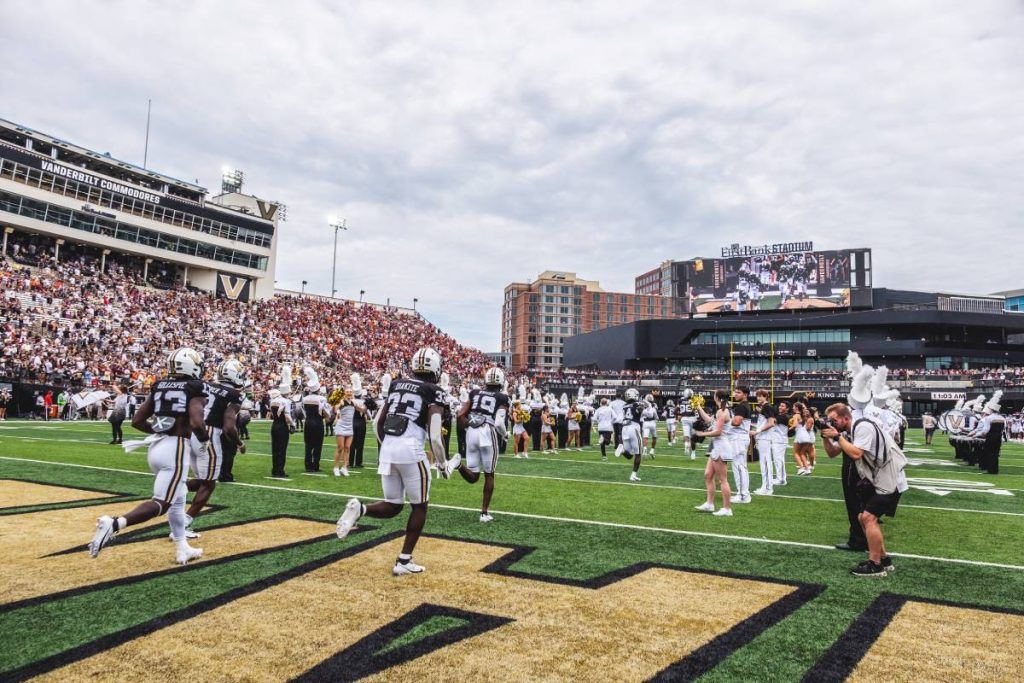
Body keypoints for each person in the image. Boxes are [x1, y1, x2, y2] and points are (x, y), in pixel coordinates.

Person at [336, 347, 458, 576]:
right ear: (436, 368)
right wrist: (442, 463)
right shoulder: (434, 390)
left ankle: (360, 509)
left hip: (389, 447)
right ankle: (403, 561)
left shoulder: (396, 384)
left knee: (393, 505)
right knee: (420, 506)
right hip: (411, 449)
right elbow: (434, 434)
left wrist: (389, 446)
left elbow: (377, 424)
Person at [88, 348, 208, 565]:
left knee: (178, 499)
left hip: (155, 447)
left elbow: (137, 421)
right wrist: (205, 440)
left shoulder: (160, 384)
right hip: (176, 448)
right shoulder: (194, 387)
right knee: (162, 502)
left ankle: (183, 548)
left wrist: (159, 430)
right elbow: (197, 421)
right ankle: (115, 524)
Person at [822, 403, 907, 577]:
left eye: (834, 420)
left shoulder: (863, 426)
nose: (832, 423)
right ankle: (883, 560)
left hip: (891, 478)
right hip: (882, 477)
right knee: (863, 517)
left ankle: (875, 565)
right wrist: (825, 436)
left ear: (846, 417)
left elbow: (856, 454)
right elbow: (832, 453)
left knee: (868, 518)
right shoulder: (849, 431)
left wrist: (837, 436)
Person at [184, 358, 246, 535]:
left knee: (203, 479)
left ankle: (172, 489)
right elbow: (228, 427)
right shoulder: (234, 394)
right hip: (209, 435)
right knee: (209, 483)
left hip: (192, 433)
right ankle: (184, 523)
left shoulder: (206, 385)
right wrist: (240, 443)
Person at [455, 367, 510, 522]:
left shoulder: (475, 392)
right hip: (487, 431)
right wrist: (505, 434)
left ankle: (459, 465)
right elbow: (499, 422)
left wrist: (467, 426)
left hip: (471, 431)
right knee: (489, 474)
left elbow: (459, 414)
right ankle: (484, 513)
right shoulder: (503, 397)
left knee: (473, 477)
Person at [694, 389, 734, 516]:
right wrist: (699, 407)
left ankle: (727, 509)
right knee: (708, 475)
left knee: (723, 479)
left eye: (714, 394)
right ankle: (709, 504)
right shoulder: (722, 410)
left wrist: (702, 434)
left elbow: (718, 432)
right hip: (717, 446)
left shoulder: (722, 411)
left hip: (721, 446)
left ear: (717, 397)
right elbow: (709, 421)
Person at [301, 370, 331, 473]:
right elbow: (326, 412)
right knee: (318, 445)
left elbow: (303, 412)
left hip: (308, 422)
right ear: (318, 389)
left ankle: (308, 465)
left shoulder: (305, 399)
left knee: (308, 445)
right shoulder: (322, 398)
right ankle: (315, 465)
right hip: (318, 423)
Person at [614, 388, 644, 482]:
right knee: (638, 453)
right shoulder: (637, 404)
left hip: (624, 429)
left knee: (630, 455)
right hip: (633, 427)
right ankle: (633, 475)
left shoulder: (624, 406)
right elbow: (641, 409)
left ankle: (622, 450)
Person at [728, 386, 752, 503]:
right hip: (740, 438)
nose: (735, 394)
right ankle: (740, 492)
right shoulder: (743, 405)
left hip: (739, 438)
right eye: (735, 392)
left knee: (740, 467)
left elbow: (736, 422)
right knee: (738, 466)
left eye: (738, 392)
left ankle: (744, 495)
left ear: (745, 394)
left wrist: (726, 420)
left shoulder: (742, 406)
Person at [751, 390, 776, 496]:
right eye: (757, 396)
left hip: (765, 438)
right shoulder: (765, 407)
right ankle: (765, 486)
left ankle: (767, 488)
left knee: (765, 463)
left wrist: (757, 431)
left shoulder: (767, 407)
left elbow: (771, 423)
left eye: (761, 396)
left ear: (766, 397)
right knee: (764, 463)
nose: (758, 398)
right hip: (762, 438)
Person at [333, 387, 357, 477]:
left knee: (347, 448)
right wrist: (339, 405)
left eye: (350, 391)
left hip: (349, 427)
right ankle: (335, 467)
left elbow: (361, 408)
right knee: (340, 447)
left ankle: (344, 467)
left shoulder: (353, 402)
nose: (349, 393)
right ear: (344, 393)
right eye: (347, 391)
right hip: (341, 426)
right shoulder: (341, 401)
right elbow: (335, 409)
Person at [269, 389, 292, 478]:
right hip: (282, 426)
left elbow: (272, 414)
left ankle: (275, 470)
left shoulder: (272, 401)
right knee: (282, 449)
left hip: (274, 425)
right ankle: (280, 470)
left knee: (275, 449)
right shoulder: (286, 401)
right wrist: (292, 425)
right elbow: (287, 416)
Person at [772, 402, 790, 486]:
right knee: (778, 460)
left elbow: (772, 421)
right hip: (778, 440)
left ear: (787, 409)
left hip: (780, 441)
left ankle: (781, 479)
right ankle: (780, 478)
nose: (780, 407)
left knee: (779, 460)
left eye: (782, 406)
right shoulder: (780, 415)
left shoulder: (783, 416)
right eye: (780, 405)